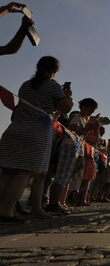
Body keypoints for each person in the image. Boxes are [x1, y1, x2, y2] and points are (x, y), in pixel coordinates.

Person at [0, 56, 73, 222]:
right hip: (36, 132)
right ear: (53, 71)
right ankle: (7, 211)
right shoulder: (53, 86)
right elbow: (65, 108)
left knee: (6, 172)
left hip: (14, 130)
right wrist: (68, 95)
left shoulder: (25, 85)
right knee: (23, 172)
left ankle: (2, 208)